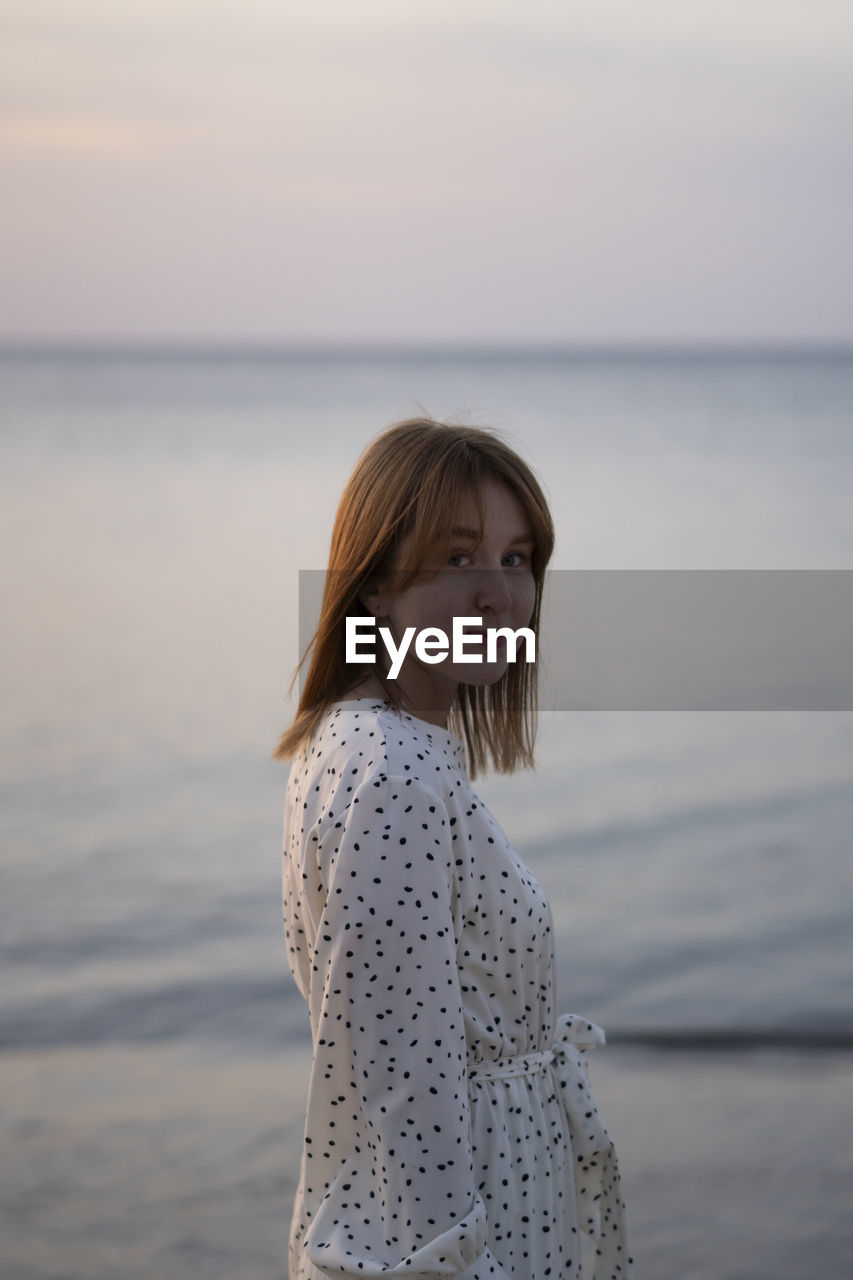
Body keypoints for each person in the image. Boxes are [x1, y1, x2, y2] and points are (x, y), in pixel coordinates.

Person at [274, 419, 632, 1280]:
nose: (497, 596)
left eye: (516, 561)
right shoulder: (394, 773)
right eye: (457, 556)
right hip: (468, 1226)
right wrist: (459, 1265)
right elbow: (407, 1084)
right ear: (372, 587)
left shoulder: (363, 742)